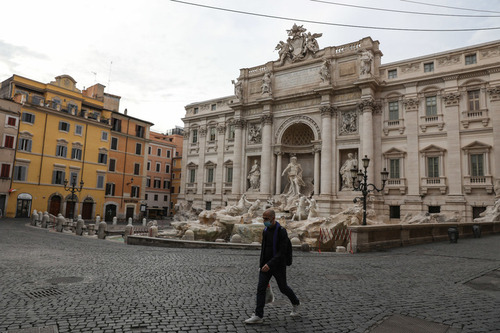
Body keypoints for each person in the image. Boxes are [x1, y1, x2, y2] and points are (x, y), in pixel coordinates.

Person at [245, 209, 300, 324]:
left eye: (266, 219)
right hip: (265, 265)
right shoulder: (265, 230)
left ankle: (295, 302)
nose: (264, 221)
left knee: (283, 288)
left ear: (273, 218)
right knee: (260, 289)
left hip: (278, 265)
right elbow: (264, 249)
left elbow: (282, 252)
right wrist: (261, 265)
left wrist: (270, 264)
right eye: (263, 218)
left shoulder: (281, 231)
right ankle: (258, 315)